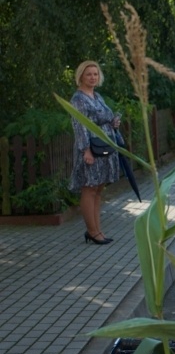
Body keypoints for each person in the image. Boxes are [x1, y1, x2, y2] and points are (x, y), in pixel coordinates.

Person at [69, 60, 120, 245]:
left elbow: (103, 117)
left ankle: (98, 230)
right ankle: (92, 232)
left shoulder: (97, 96)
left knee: (98, 188)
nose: (92, 77)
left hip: (104, 147)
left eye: (95, 74)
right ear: (81, 76)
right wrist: (86, 151)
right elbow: (79, 126)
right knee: (89, 189)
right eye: (89, 74)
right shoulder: (78, 99)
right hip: (91, 149)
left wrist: (113, 122)